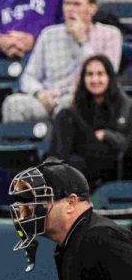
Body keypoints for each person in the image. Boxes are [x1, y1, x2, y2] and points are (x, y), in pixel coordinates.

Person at [1, 0, 122, 124]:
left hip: (84, 101)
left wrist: (82, 41)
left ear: (91, 9)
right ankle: (21, 146)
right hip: (48, 99)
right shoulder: (49, 34)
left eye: (76, 4)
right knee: (13, 103)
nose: (70, 9)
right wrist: (39, 93)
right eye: (67, 3)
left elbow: (107, 74)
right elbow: (28, 77)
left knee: (68, 109)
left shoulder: (110, 35)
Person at [48, 54, 130, 185]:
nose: (94, 79)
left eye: (100, 74)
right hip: (84, 159)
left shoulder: (125, 104)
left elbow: (126, 143)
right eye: (90, 74)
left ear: (109, 77)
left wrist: (106, 134)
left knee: (65, 115)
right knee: (73, 162)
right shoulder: (79, 103)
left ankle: (51, 174)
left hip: (111, 159)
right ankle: (54, 173)